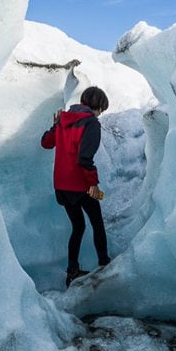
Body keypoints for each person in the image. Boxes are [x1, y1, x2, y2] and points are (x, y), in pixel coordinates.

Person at [41, 86, 111, 287]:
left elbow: (46, 143)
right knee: (97, 224)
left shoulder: (63, 120)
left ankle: (72, 271)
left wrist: (55, 127)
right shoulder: (91, 123)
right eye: (101, 109)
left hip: (61, 186)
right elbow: (85, 159)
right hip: (80, 185)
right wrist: (93, 186)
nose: (100, 114)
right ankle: (105, 264)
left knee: (78, 226)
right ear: (97, 106)